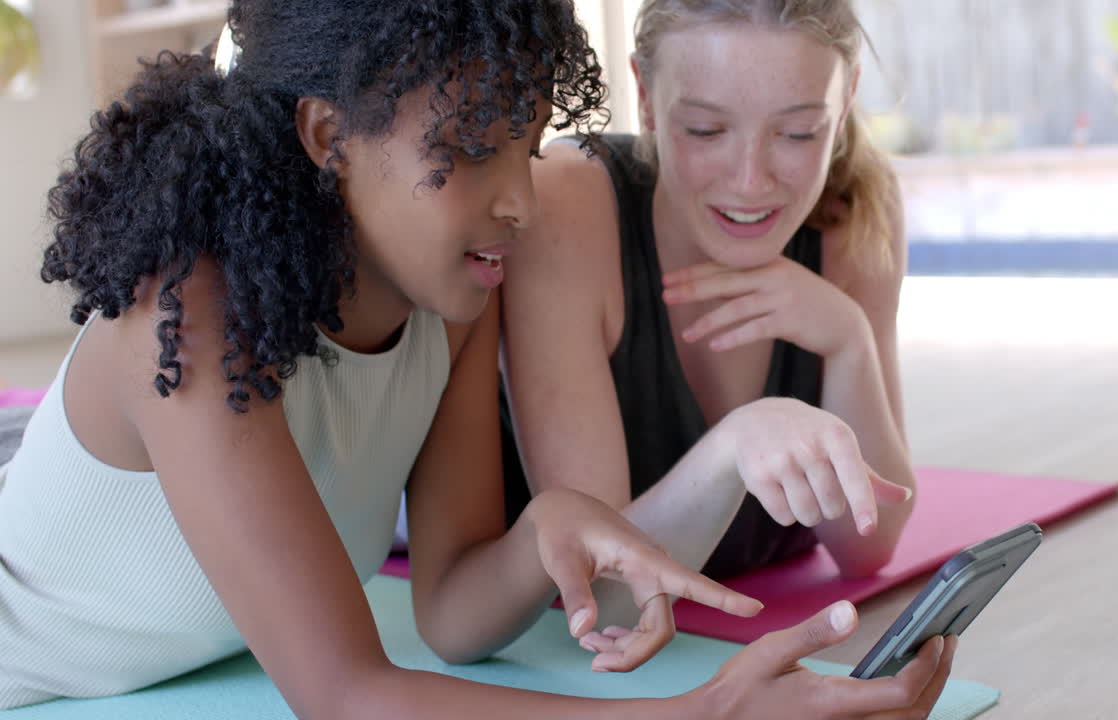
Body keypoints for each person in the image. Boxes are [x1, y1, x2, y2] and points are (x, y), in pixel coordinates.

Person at [0, 1, 956, 718]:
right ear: (329, 135)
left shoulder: (455, 303)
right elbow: (346, 693)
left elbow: (453, 615)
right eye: (468, 152)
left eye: (528, 149)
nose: (522, 205)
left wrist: (550, 526)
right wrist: (700, 712)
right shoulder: (188, 312)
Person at [500, 0, 918, 636]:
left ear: (848, 94)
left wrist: (849, 341)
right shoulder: (567, 206)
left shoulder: (855, 211)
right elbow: (606, 594)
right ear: (644, 93)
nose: (751, 181)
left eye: (798, 133)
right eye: (704, 130)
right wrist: (733, 444)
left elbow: (869, 548)